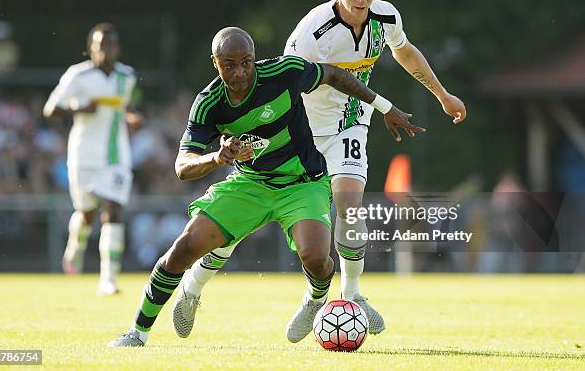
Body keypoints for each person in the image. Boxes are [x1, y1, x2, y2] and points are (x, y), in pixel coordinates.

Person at [178, 0, 467, 336]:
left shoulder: (386, 17)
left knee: (350, 204)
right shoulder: (313, 31)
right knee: (240, 220)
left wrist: (442, 94)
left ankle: (350, 296)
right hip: (299, 135)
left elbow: (406, 53)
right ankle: (193, 287)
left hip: (350, 125)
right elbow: (277, 85)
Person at [108, 27, 423, 346]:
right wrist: (216, 157)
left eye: (246, 62)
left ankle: (314, 301)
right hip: (251, 183)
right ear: (214, 62)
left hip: (303, 183)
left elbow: (332, 74)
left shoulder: (284, 72)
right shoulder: (208, 103)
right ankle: (137, 333)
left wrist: (384, 106)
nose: (240, 72)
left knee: (316, 258)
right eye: (229, 64)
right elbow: (182, 166)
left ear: (254, 59)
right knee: (184, 248)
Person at [43, 23, 143, 295]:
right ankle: (76, 244)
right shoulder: (78, 76)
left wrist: (133, 118)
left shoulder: (127, 76)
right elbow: (50, 109)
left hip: (116, 156)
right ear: (91, 49)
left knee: (113, 209)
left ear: (117, 48)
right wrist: (79, 107)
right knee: (87, 214)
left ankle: (108, 278)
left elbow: (126, 107)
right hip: (83, 155)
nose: (106, 50)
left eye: (110, 45)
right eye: (100, 45)